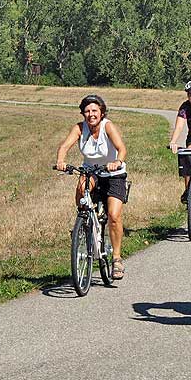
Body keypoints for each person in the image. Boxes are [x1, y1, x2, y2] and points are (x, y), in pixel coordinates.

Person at [56, 94, 128, 279]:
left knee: (113, 215)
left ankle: (117, 258)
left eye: (94, 110)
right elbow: (64, 147)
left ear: (101, 112)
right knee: (81, 186)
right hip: (92, 171)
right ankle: (83, 221)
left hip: (113, 173)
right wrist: (61, 161)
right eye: (87, 111)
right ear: (83, 114)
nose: (91, 114)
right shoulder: (79, 128)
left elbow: (122, 148)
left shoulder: (108, 126)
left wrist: (117, 161)